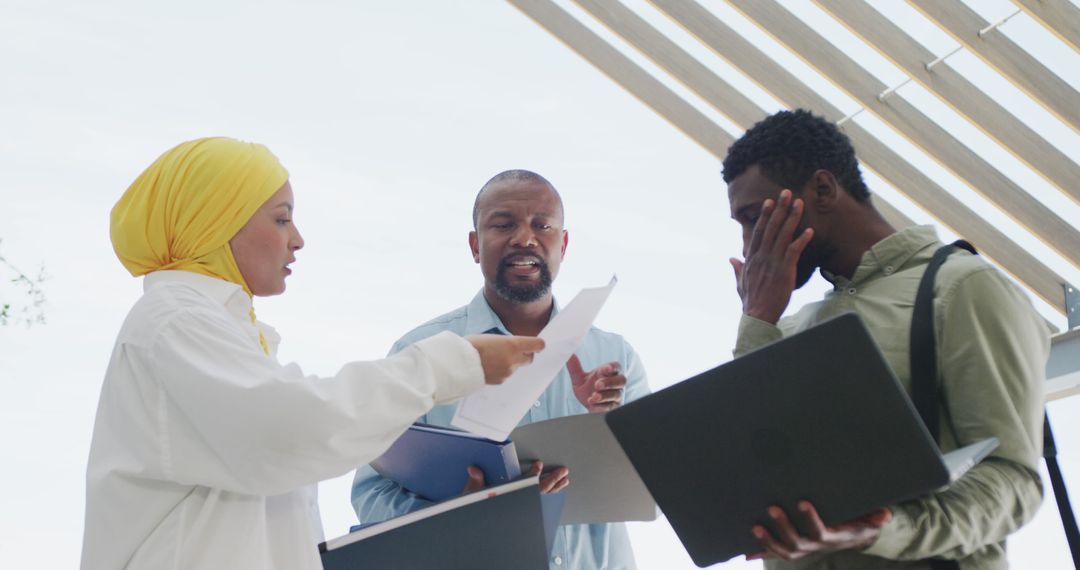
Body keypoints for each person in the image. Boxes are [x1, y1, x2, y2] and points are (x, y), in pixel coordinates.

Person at [81, 138, 544, 570]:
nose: (297, 239)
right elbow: (289, 430)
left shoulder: (217, 331)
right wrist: (452, 364)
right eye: (281, 218)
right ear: (216, 221)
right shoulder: (175, 320)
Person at [723, 109, 1049, 569]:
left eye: (755, 218)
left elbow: (1014, 481)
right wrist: (757, 319)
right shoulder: (790, 327)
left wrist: (882, 529)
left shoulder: (960, 288)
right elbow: (762, 470)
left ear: (821, 189)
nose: (747, 245)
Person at [351, 169, 651, 569]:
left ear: (563, 244)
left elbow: (654, 484)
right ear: (475, 245)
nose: (524, 238)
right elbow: (371, 493)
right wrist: (455, 515)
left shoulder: (615, 355)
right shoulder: (421, 352)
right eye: (503, 224)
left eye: (542, 225)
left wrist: (607, 422)